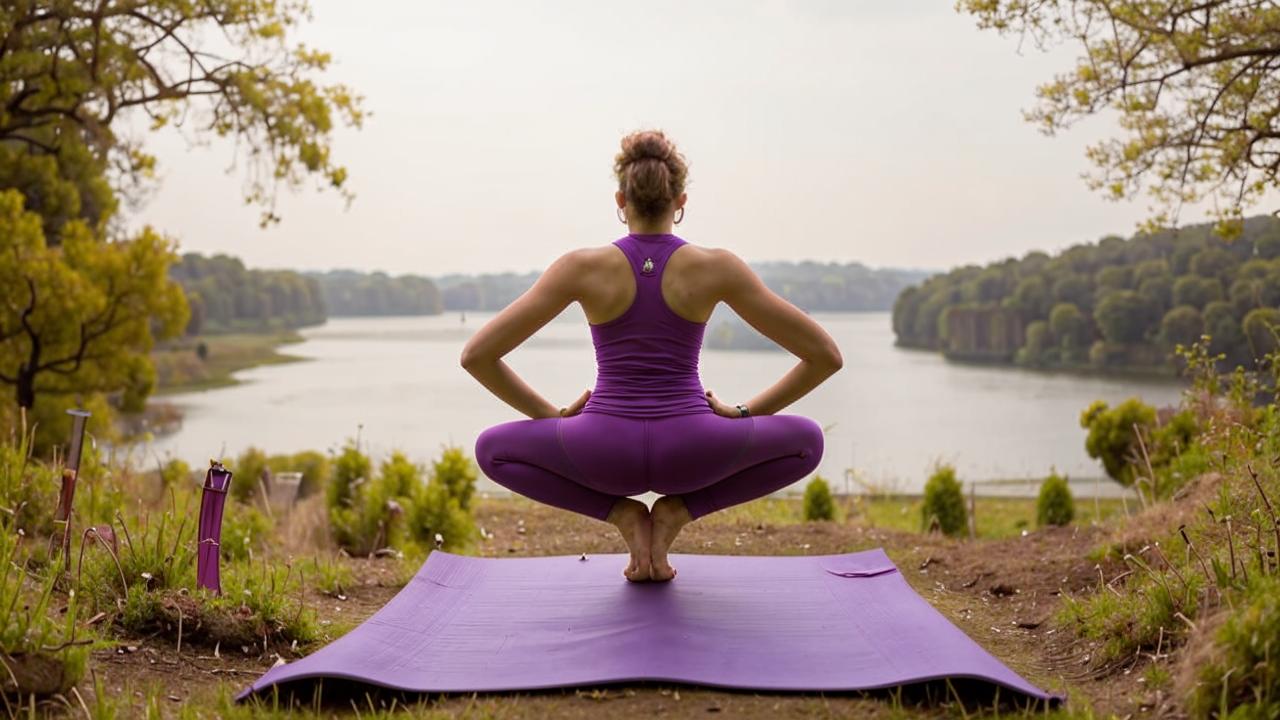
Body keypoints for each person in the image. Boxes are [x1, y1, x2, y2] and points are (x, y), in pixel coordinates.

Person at [462, 130, 842, 582]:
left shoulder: (580, 268)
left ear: (621, 200)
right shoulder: (716, 268)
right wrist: (742, 413)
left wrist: (552, 416)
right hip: (692, 449)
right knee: (807, 442)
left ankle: (621, 516)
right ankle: (678, 513)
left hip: (603, 451)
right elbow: (824, 357)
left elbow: (478, 356)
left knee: (492, 450)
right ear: (679, 201)